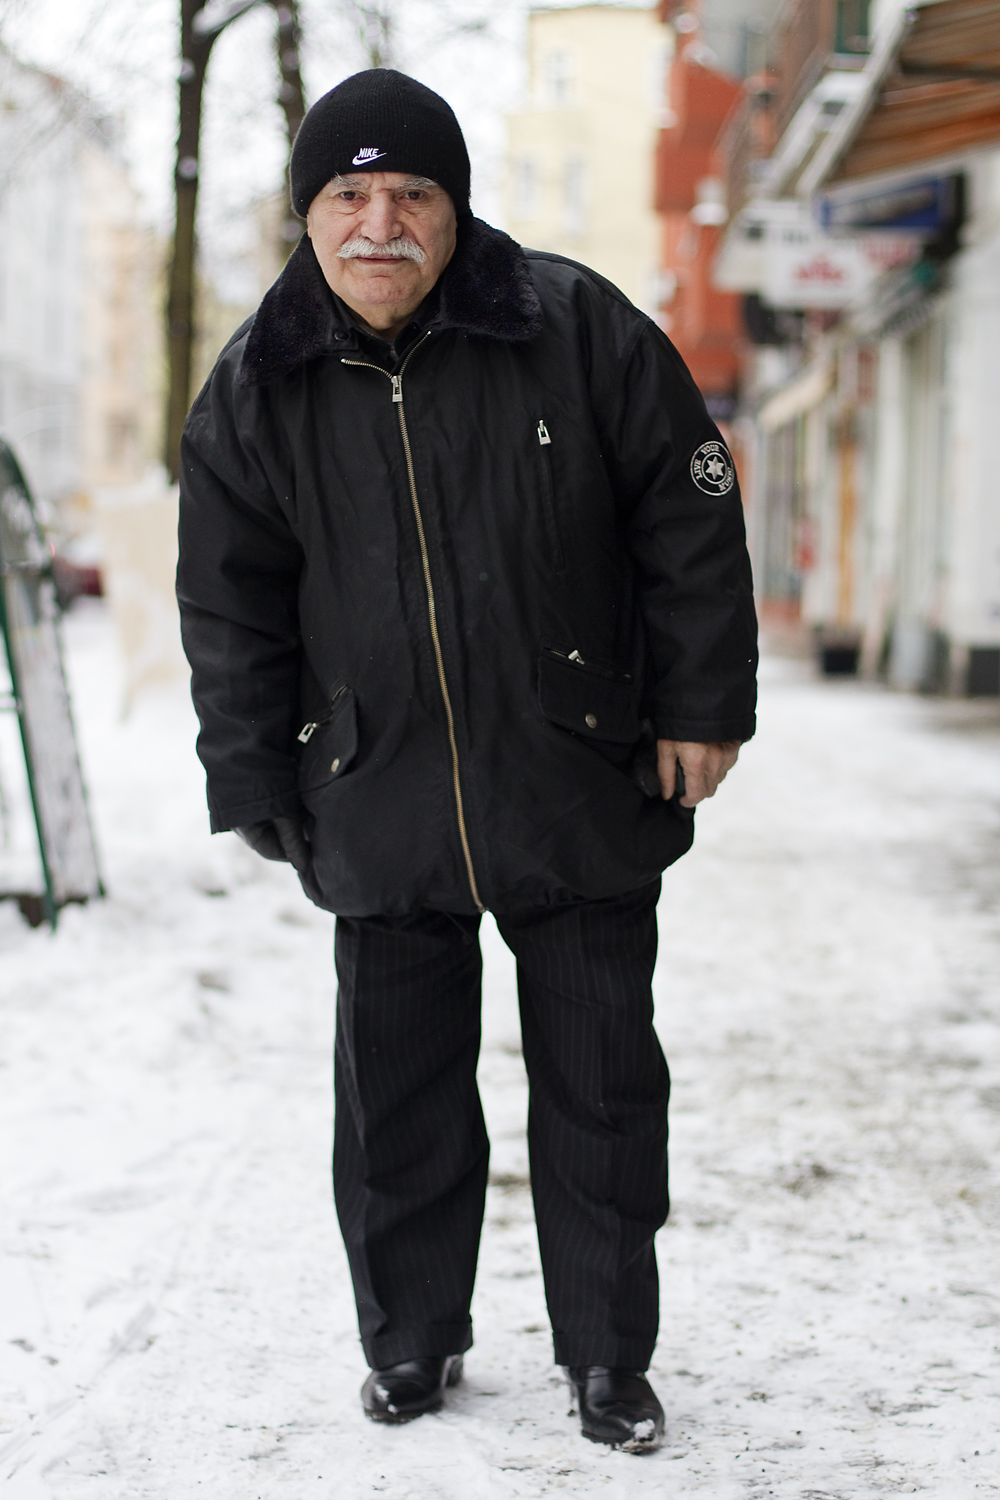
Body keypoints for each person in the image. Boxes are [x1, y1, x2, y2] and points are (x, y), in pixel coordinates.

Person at [177, 68, 756, 1453]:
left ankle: (608, 1355)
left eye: (411, 194)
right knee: (396, 1102)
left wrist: (702, 706)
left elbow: (688, 520)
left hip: (579, 770)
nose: (379, 223)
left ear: (457, 208)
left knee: (604, 1088)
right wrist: (253, 774)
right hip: (373, 786)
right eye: (349, 195)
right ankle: (411, 1339)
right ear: (308, 213)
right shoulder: (258, 379)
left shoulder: (576, 327)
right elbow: (229, 600)